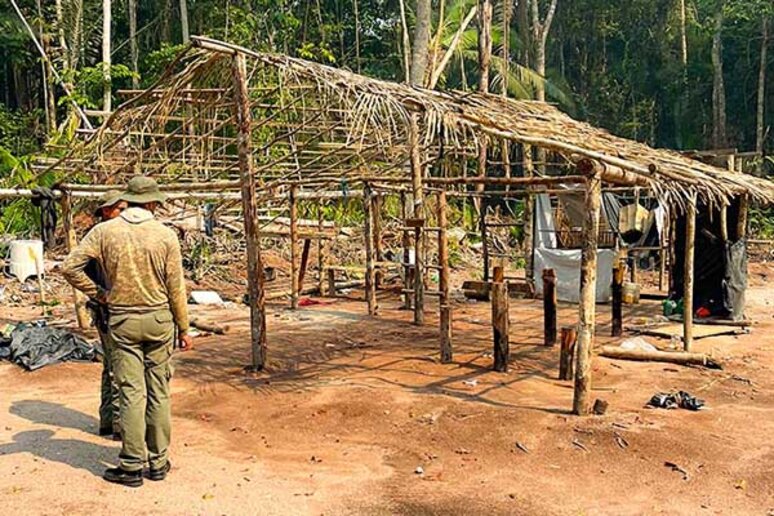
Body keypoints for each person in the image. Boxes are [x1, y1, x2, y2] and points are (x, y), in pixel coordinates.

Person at [62, 176, 192, 487]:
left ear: (127, 199)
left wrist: (99, 293)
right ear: (152, 203)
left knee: (132, 392)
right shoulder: (165, 236)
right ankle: (158, 462)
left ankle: (132, 466)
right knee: (159, 391)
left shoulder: (104, 232)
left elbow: (69, 267)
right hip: (160, 320)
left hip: (122, 321)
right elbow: (177, 288)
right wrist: (184, 327)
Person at [86, 190, 127, 441]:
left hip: (107, 309)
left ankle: (108, 421)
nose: (124, 213)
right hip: (108, 311)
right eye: (120, 209)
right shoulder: (100, 237)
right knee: (118, 368)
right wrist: (100, 294)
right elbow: (72, 268)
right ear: (106, 211)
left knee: (110, 366)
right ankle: (120, 425)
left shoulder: (105, 235)